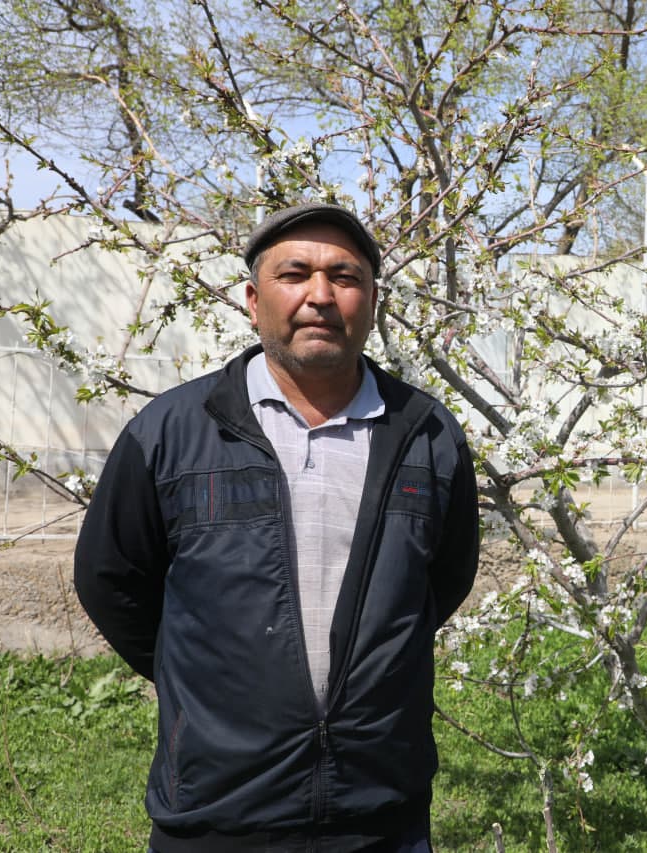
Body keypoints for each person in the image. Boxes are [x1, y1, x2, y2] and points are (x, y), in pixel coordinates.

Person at [75, 202, 480, 853]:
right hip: (216, 813)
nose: (320, 295)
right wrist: (207, 681)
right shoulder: (172, 432)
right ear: (253, 298)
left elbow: (444, 579)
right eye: (295, 273)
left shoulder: (427, 434)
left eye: (344, 277)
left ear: (373, 300)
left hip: (379, 811)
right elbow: (110, 578)